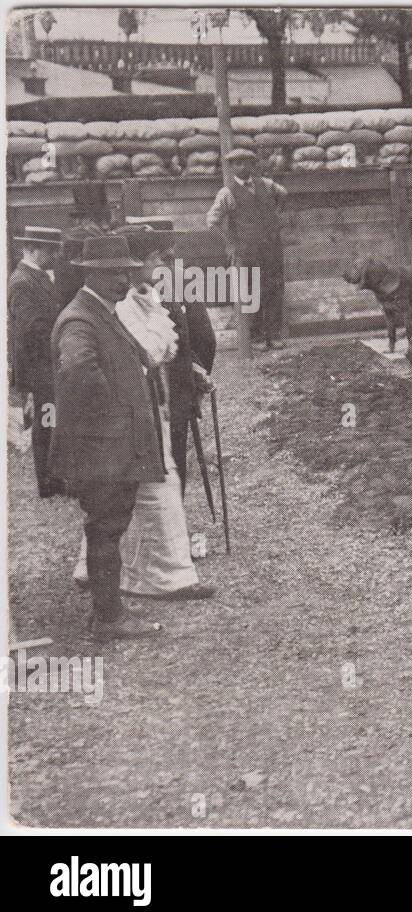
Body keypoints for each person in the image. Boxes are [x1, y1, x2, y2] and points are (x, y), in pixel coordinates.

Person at [70, 223, 217, 602]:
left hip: (149, 406)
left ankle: (156, 573)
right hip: (130, 412)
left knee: (146, 489)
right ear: (132, 266)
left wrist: (191, 370)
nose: (158, 264)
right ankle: (161, 576)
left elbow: (163, 352)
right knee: (137, 490)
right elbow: (148, 352)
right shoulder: (116, 307)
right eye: (152, 258)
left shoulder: (145, 298)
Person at [49, 235, 167, 641]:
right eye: (115, 273)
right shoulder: (80, 319)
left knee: (108, 527)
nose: (125, 279)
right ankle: (108, 618)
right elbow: (79, 372)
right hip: (101, 448)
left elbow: (133, 359)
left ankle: (108, 610)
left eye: (127, 270)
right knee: (105, 527)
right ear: (93, 275)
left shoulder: (103, 311)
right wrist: (118, 417)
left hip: (110, 446)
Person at [122, 216, 216, 492]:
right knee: (169, 464)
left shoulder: (138, 290)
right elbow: (205, 338)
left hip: (168, 391)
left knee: (164, 467)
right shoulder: (174, 279)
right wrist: (196, 372)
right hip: (167, 391)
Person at [206, 149, 287, 352]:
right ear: (231, 167)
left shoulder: (266, 185)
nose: (242, 167)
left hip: (271, 248)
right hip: (247, 251)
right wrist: (229, 243)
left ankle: (274, 335)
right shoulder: (227, 193)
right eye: (237, 164)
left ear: (252, 165)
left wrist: (275, 216)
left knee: (274, 290)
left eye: (246, 163)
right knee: (253, 292)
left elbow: (283, 194)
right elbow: (212, 221)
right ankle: (257, 336)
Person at [8, 225, 67, 498]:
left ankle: (55, 477)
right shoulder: (22, 282)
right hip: (40, 367)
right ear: (32, 250)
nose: (55, 254)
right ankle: (49, 482)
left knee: (52, 420)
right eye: (50, 249)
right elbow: (30, 331)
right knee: (47, 422)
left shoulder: (35, 277)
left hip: (47, 364)